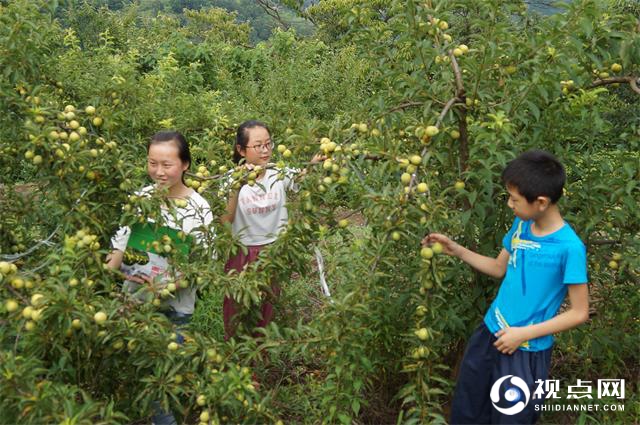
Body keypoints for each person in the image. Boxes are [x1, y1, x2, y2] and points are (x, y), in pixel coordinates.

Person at [422, 150, 589, 424]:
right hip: (490, 333)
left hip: (524, 352)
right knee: (468, 410)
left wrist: (522, 334)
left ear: (542, 202)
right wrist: (457, 250)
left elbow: (579, 312)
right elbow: (499, 268)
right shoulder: (522, 225)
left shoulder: (569, 249)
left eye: (514, 199)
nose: (510, 204)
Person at [106, 131, 213, 425]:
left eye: (167, 164)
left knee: (160, 385)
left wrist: (163, 287)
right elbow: (119, 247)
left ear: (186, 165)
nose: (159, 171)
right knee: (143, 379)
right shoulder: (140, 199)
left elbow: (201, 267)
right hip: (132, 305)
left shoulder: (198, 209)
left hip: (173, 311)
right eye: (153, 163)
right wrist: (99, 278)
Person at [221, 120, 319, 339]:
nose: (265, 151)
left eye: (268, 144)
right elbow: (225, 220)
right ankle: (234, 353)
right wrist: (237, 186)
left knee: (266, 307)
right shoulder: (230, 180)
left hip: (272, 252)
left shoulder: (279, 173)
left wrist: (316, 162)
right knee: (236, 307)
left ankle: (260, 361)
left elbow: (303, 177)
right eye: (258, 146)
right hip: (243, 252)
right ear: (241, 149)